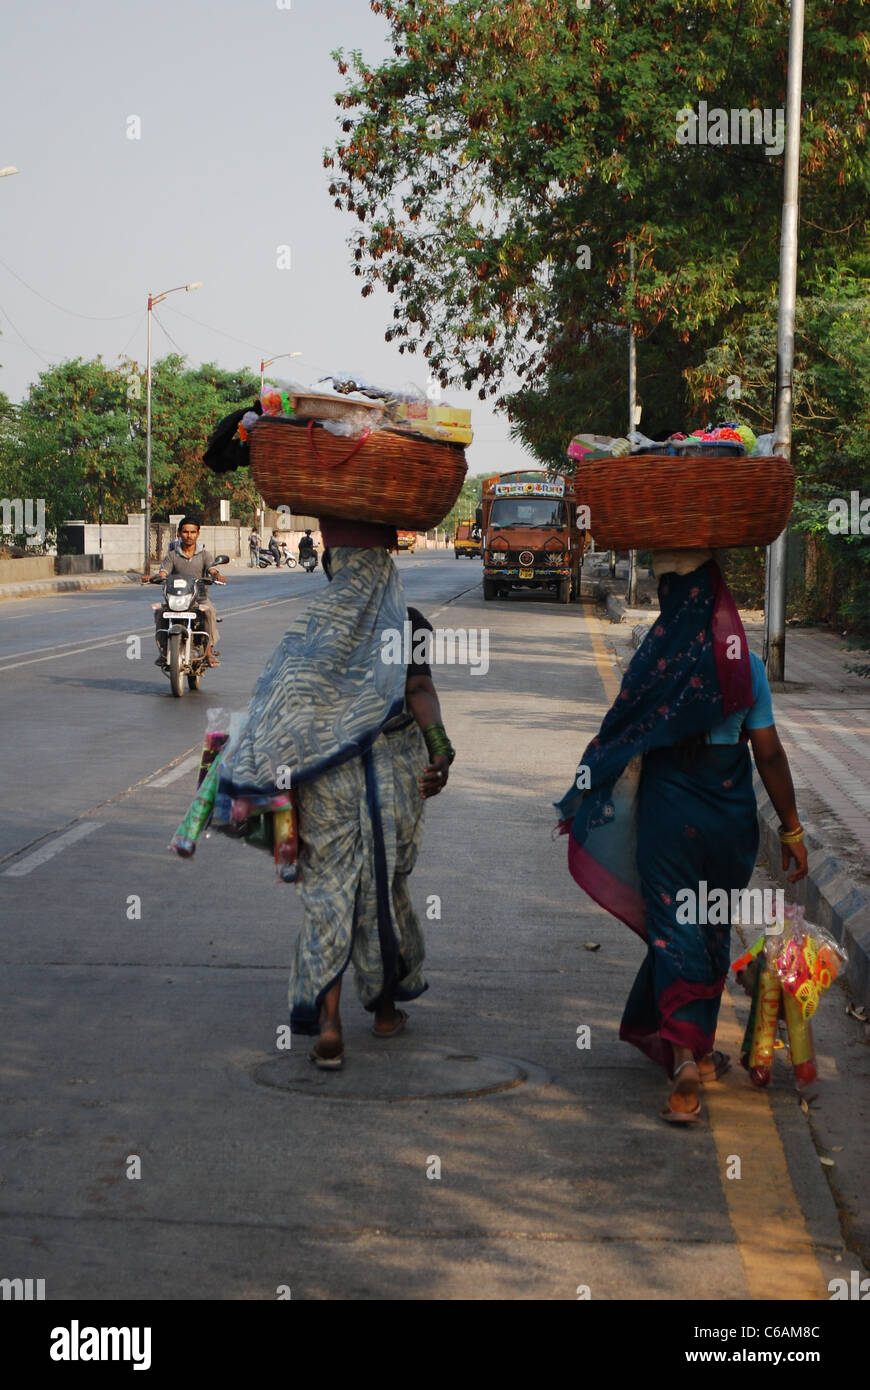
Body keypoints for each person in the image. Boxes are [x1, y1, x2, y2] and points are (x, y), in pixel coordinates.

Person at [556, 550, 807, 1125]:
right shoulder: (745, 665)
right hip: (729, 822)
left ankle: (686, 1061)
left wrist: (587, 789)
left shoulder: (656, 660)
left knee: (674, 927)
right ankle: (691, 1044)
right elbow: (767, 751)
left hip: (670, 817)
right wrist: (792, 829)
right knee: (709, 922)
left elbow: (621, 735)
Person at [214, 516, 453, 1070]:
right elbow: (419, 690)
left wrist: (267, 783)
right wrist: (439, 750)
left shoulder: (310, 628)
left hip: (324, 779)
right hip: (393, 773)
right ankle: (386, 1010)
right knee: (384, 883)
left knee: (329, 893)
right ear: (386, 570)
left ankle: (329, 1023)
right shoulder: (408, 622)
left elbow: (281, 712)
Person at [141, 516, 224, 667]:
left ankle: (209, 651)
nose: (189, 535)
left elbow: (212, 568)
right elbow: (163, 572)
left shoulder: (204, 554)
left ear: (198, 534)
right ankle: (165, 650)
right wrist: (154, 578)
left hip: (199, 598)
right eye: (185, 532)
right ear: (179, 533)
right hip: (176, 598)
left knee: (209, 611)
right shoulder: (172, 555)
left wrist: (216, 575)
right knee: (160, 613)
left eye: (193, 532)